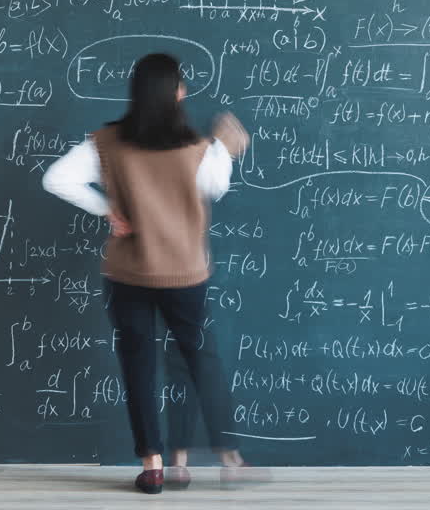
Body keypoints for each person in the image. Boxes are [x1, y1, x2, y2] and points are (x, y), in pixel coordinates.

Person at [42, 52, 266, 494]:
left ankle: (153, 466)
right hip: (185, 274)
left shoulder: (105, 142)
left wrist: (109, 211)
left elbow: (56, 179)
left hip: (128, 273)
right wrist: (224, 147)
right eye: (182, 84)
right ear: (175, 93)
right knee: (201, 361)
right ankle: (231, 460)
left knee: (138, 366)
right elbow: (216, 187)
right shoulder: (196, 150)